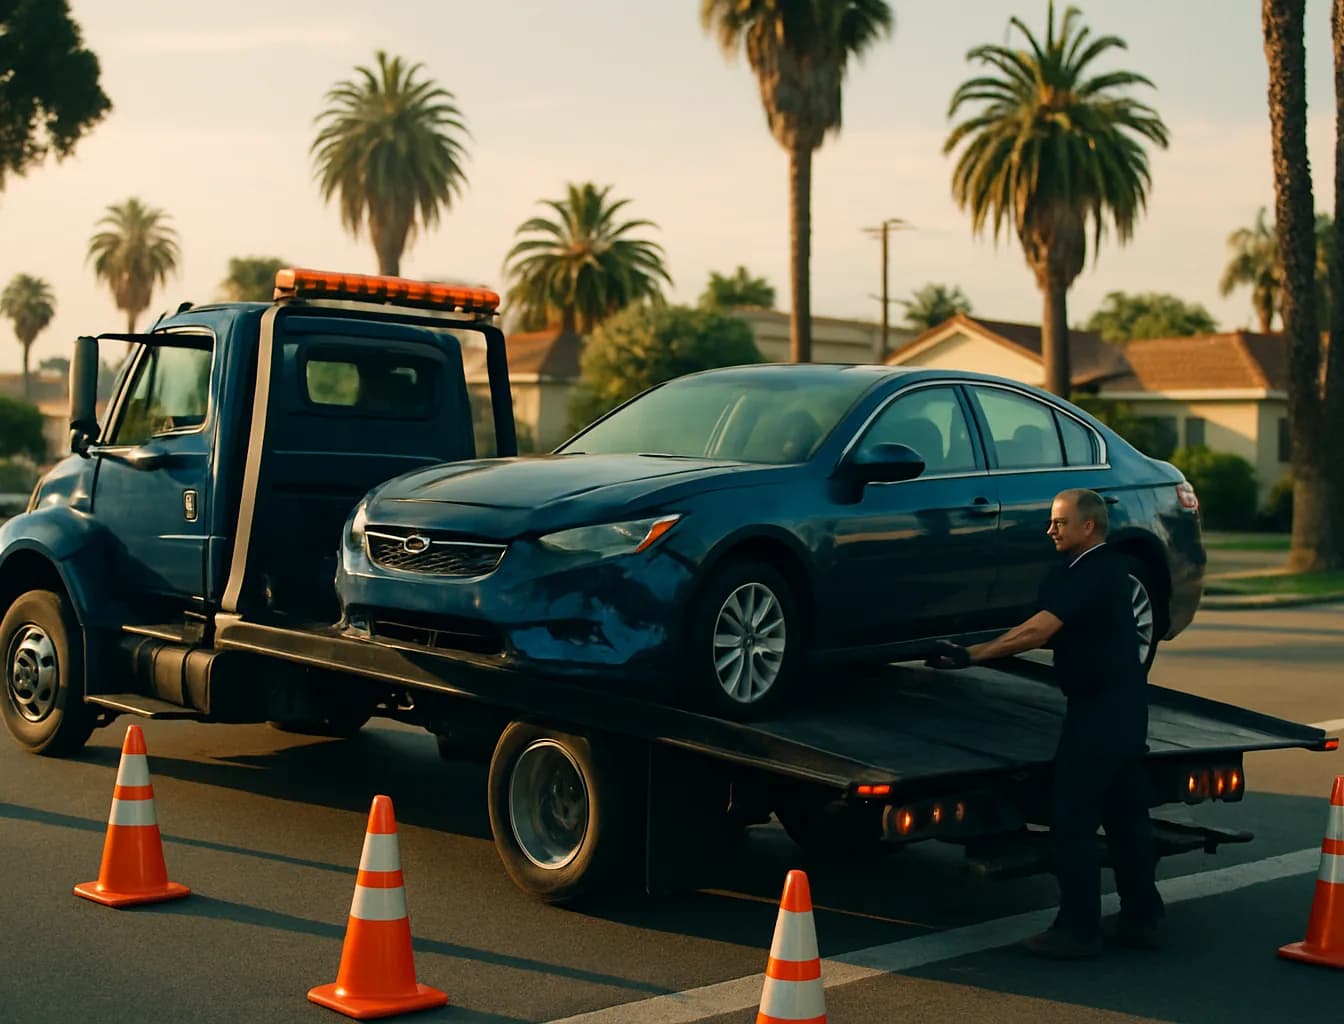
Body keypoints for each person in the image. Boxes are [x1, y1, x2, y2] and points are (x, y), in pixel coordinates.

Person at [926, 487, 1164, 959]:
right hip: (1128, 709)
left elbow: (1039, 629)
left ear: (1088, 527)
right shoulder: (1114, 568)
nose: (1050, 529)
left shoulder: (1087, 570)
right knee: (1125, 817)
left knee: (1072, 819)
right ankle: (1143, 918)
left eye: (1059, 521)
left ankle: (1077, 930)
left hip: (1097, 713)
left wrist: (972, 655)